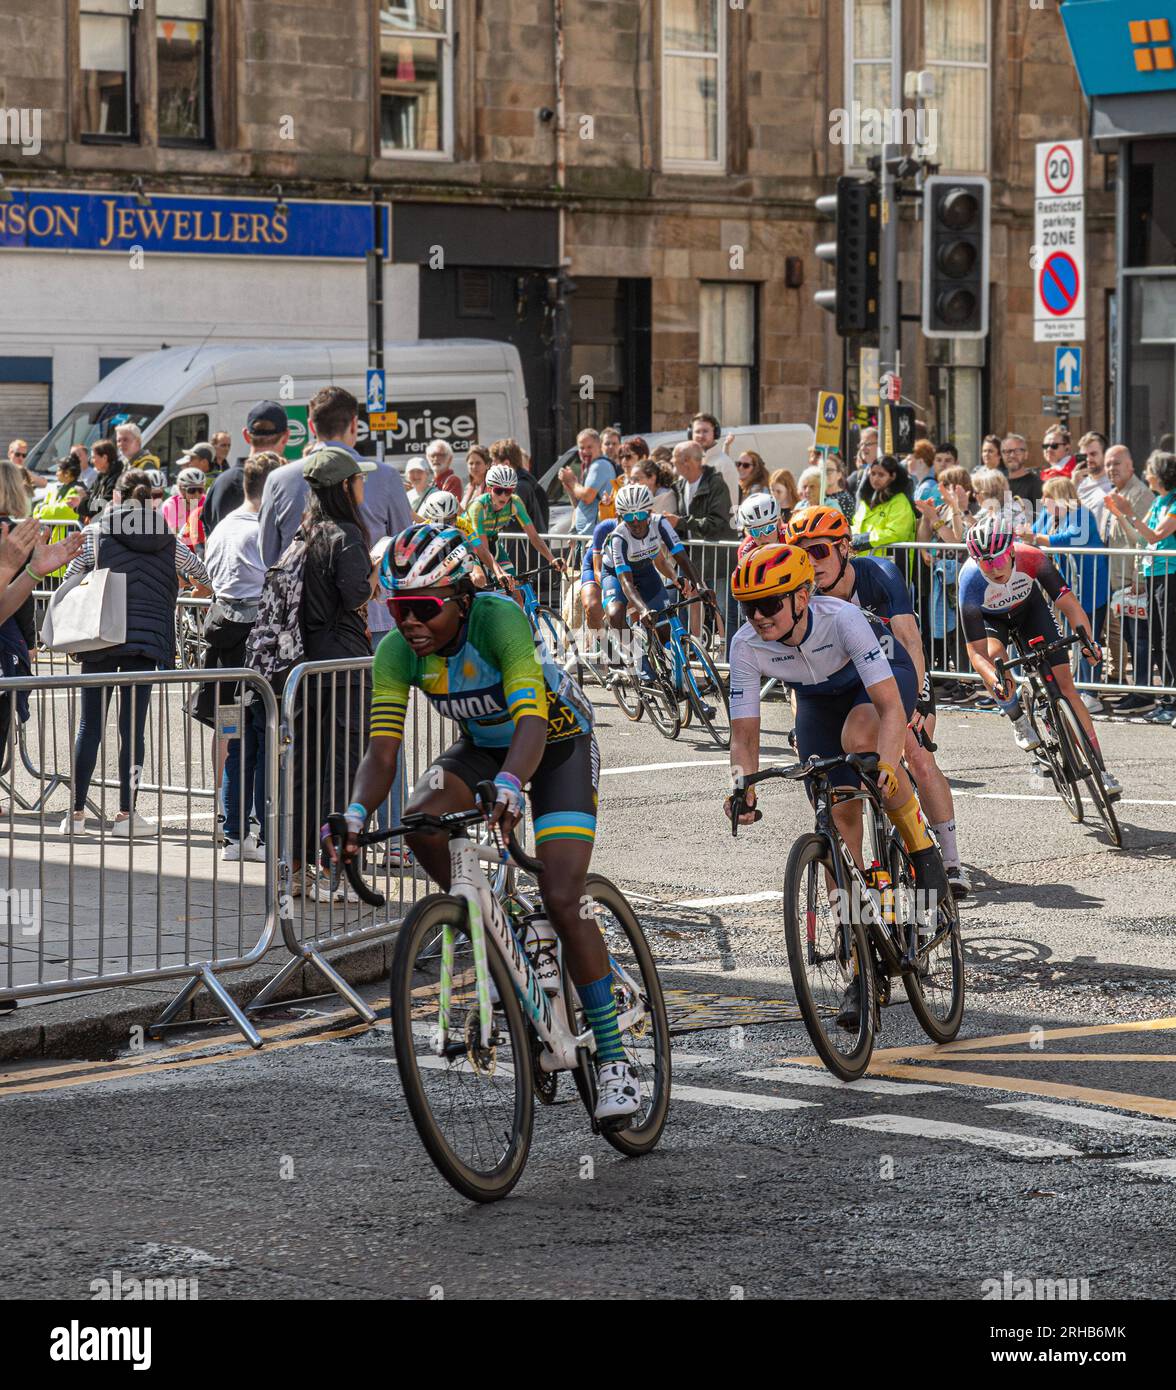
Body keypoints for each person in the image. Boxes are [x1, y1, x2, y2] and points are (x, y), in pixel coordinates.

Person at [330, 523, 640, 1121]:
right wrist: (354, 814)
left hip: (555, 744)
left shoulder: (498, 620)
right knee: (420, 817)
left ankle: (615, 1056)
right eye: (397, 609)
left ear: (461, 598)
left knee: (561, 894)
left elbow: (530, 720)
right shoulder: (398, 653)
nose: (410, 623)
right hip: (481, 750)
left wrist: (510, 785)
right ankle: (480, 916)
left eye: (423, 607)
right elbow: (382, 753)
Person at [726, 543, 948, 1028]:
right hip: (818, 702)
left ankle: (921, 850)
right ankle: (857, 966)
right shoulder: (745, 645)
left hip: (878, 685)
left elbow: (891, 709)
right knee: (835, 816)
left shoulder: (843, 618)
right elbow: (743, 732)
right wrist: (741, 786)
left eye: (769, 604)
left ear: (802, 598)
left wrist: (888, 766)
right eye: (749, 606)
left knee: (864, 747)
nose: (758, 617)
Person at [786, 505, 969, 895]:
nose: (811, 564)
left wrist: (914, 705)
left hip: (898, 674)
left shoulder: (879, 574)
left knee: (916, 755)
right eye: (803, 555)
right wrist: (797, 720)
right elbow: (798, 668)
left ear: (844, 548)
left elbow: (910, 641)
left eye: (819, 551)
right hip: (844, 688)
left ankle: (949, 862)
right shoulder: (802, 594)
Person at [60, 470, 211, 838]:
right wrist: (192, 589)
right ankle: (127, 815)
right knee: (133, 731)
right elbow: (202, 574)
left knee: (89, 727)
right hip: (144, 645)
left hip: (99, 640)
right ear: (151, 502)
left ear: (117, 498)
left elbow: (70, 577)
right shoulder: (169, 540)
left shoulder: (97, 534)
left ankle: (76, 815)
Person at [957, 514, 1120, 792]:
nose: (992, 568)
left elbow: (1069, 604)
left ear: (1011, 551)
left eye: (997, 559)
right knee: (997, 661)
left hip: (1030, 610)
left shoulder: (1032, 557)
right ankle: (1018, 719)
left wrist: (1088, 642)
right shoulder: (970, 581)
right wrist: (994, 679)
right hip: (992, 621)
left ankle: (1100, 771)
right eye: (984, 562)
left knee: (1066, 687)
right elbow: (976, 652)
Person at [288, 447, 379, 895]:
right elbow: (355, 595)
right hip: (343, 660)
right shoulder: (347, 535)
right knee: (345, 763)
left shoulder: (306, 532)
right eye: (358, 480)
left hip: (307, 662)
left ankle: (299, 866)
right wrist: (374, 577)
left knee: (306, 763)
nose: (363, 486)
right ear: (345, 487)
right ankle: (337, 870)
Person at [203, 451, 282, 861]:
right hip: (258, 648)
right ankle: (264, 836)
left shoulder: (221, 530)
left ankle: (233, 835)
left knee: (234, 741)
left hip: (224, 650)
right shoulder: (262, 531)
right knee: (264, 740)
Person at [600, 482, 704, 679]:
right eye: (629, 517)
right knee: (615, 615)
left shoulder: (660, 523)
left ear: (650, 511)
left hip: (645, 570)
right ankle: (639, 659)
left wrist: (700, 586)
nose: (636, 522)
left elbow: (682, 557)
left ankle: (673, 674)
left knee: (663, 627)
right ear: (621, 517)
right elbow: (626, 583)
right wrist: (643, 610)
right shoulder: (618, 537)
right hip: (616, 575)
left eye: (641, 515)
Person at [1024, 476, 1110, 712]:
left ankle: (1090, 691)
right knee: (1074, 637)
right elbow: (1031, 533)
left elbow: (1070, 537)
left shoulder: (1082, 514)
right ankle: (1078, 687)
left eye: (1048, 497)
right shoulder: (1051, 515)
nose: (1044, 502)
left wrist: (1034, 537)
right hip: (1071, 588)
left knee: (1088, 635)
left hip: (1092, 587)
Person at [1104, 450, 1176, 724]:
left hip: (1171, 574)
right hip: (1154, 573)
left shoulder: (1174, 502)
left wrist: (1129, 512)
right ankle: (1167, 699)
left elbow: (1157, 535)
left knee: (1169, 640)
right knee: (1158, 640)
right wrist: (1122, 515)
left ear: (1160, 474)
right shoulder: (1159, 502)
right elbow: (1143, 539)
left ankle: (1173, 700)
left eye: (1149, 470)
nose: (1146, 475)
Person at [665, 440, 739, 646]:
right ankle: (689, 653)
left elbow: (717, 522)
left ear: (687, 462)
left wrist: (679, 521)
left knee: (725, 610)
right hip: (691, 558)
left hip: (719, 560)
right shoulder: (679, 486)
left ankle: (734, 658)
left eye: (675, 460)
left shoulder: (716, 483)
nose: (672, 464)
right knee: (686, 606)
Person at [1098, 446, 1154, 707]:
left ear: (1131, 465)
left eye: (1117, 463)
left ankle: (1144, 693)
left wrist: (1138, 579)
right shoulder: (1115, 493)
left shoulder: (1139, 494)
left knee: (1141, 639)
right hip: (1118, 579)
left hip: (1134, 579)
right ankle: (1138, 690)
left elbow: (1141, 539)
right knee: (1131, 638)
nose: (1111, 468)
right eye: (1108, 464)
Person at [466, 463, 565, 597]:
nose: (504, 496)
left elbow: (534, 537)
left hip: (492, 543)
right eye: (498, 490)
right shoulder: (478, 507)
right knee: (480, 583)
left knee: (515, 593)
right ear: (489, 489)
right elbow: (482, 548)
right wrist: (499, 572)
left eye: (508, 491)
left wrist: (552, 559)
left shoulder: (515, 503)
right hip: (472, 545)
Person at [203, 401, 290, 536]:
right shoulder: (291, 483)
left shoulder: (223, 483)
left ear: (246, 435)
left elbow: (208, 534)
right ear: (286, 437)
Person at [852, 454, 917, 557]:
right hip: (863, 560)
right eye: (873, 474)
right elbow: (856, 524)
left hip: (888, 565)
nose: (875, 478)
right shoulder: (866, 499)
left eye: (881, 475)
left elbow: (897, 533)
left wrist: (864, 540)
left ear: (893, 476)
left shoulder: (900, 501)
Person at [559, 429, 615, 537]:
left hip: (593, 537)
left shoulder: (599, 465)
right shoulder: (589, 467)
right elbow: (579, 505)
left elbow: (587, 497)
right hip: (585, 535)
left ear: (599, 446)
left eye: (589, 447)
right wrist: (569, 485)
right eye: (582, 448)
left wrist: (572, 482)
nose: (585, 451)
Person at [490, 437, 548, 535]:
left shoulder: (520, 486)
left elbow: (509, 518)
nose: (491, 466)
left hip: (524, 548)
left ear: (506, 463)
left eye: (494, 462)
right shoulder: (522, 482)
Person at [692, 413, 738, 518]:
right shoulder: (690, 462)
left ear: (715, 433)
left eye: (705, 431)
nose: (701, 435)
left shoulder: (725, 463)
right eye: (697, 431)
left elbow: (732, 503)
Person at [78, 439, 121, 523]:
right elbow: (91, 496)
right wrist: (80, 503)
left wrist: (83, 502)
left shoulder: (117, 478)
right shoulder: (100, 476)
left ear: (104, 458)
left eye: (94, 457)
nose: (91, 461)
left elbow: (104, 504)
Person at [736, 492, 787, 557]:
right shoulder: (746, 550)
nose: (762, 537)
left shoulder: (791, 534)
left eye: (768, 529)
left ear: (779, 524)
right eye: (755, 532)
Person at [161, 466, 207, 536]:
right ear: (181, 490)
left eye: (200, 490)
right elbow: (175, 536)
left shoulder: (207, 502)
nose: (197, 494)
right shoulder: (171, 505)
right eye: (192, 490)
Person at [1001, 434, 1042, 511]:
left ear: (1026, 455)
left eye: (1017, 451)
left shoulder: (1037, 485)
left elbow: (1041, 519)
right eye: (1007, 451)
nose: (1012, 455)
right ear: (1002, 455)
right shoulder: (999, 484)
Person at [1076, 432, 1112, 512]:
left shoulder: (1114, 484)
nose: (1088, 459)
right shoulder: (1079, 483)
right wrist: (1072, 485)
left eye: (1093, 454)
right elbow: (1061, 514)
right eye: (1084, 456)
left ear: (1105, 455)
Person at [460, 444, 490, 513]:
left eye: (478, 463)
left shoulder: (492, 487)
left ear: (487, 465)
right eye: (471, 463)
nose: (474, 466)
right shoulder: (469, 487)